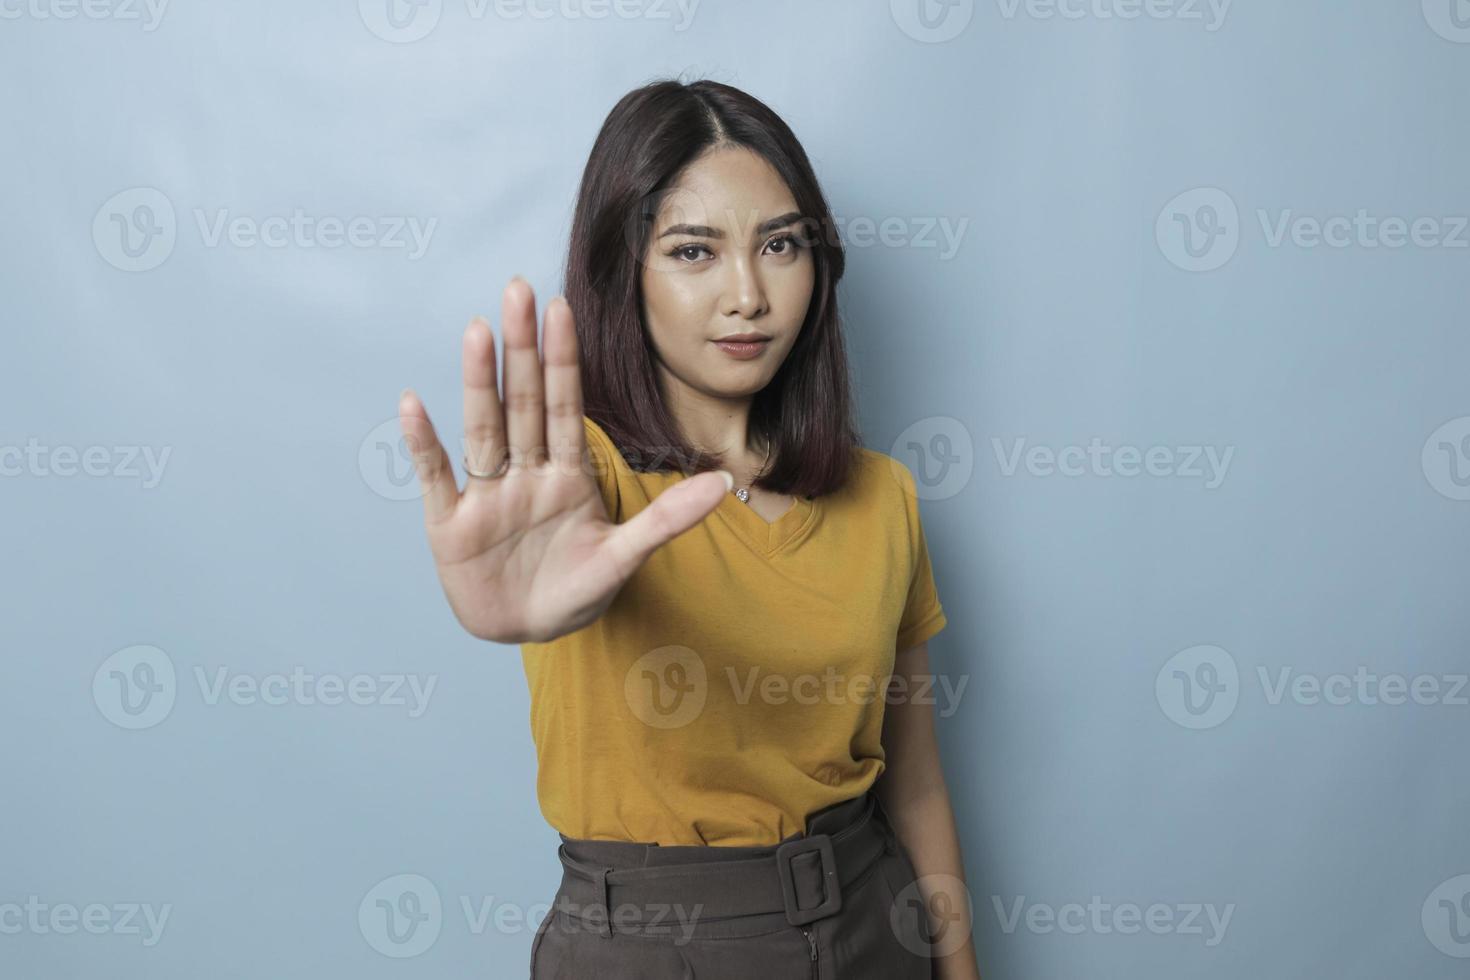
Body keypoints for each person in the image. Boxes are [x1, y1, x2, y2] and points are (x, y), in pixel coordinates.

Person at [396, 78, 981, 979]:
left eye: (780, 244)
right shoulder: (576, 480)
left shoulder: (883, 498)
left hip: (876, 918)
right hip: (656, 945)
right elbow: (547, 533)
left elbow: (918, 785)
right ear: (620, 269)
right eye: (693, 251)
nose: (748, 295)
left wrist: (959, 968)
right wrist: (515, 591)